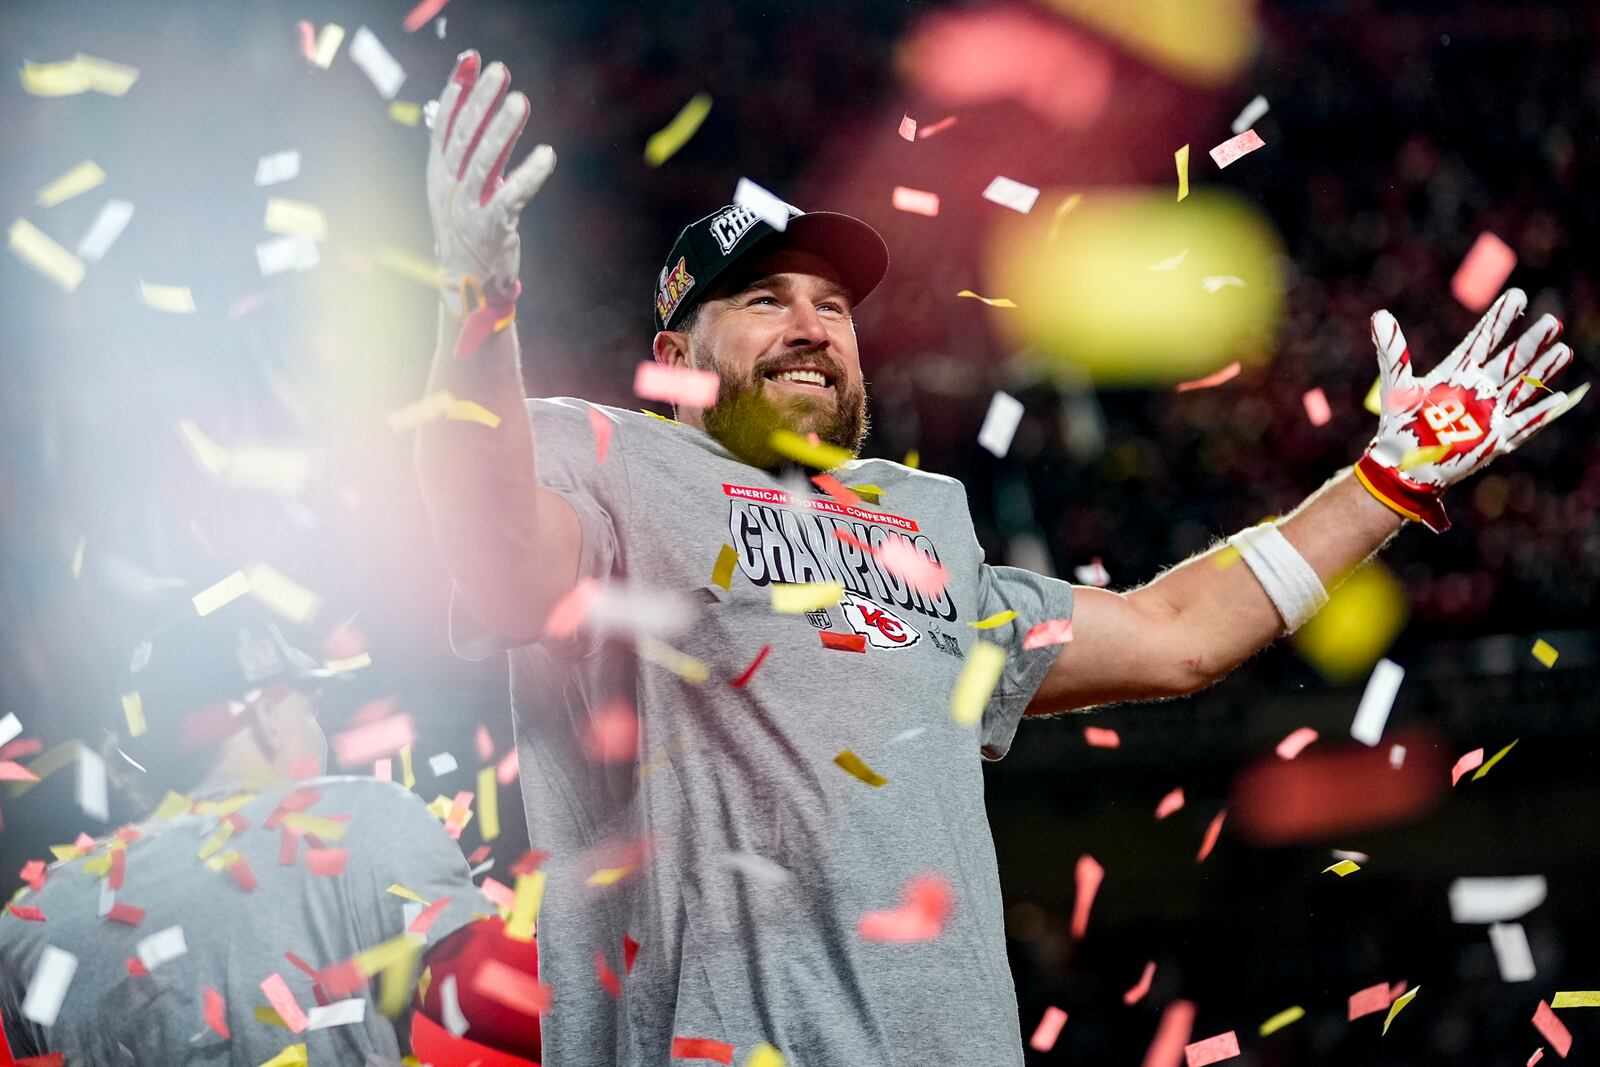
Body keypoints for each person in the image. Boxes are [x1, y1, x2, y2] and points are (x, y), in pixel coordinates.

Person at [413, 51, 1584, 1066]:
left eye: (832, 304)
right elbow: (505, 555)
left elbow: (1177, 637)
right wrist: (477, 310)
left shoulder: (925, 524)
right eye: (763, 301)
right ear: (674, 353)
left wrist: (1383, 482)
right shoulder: (615, 462)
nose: (812, 323)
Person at [0, 603, 543, 1066]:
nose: (318, 726)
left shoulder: (31, 921)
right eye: (308, 705)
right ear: (264, 715)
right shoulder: (352, 819)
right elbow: (503, 997)